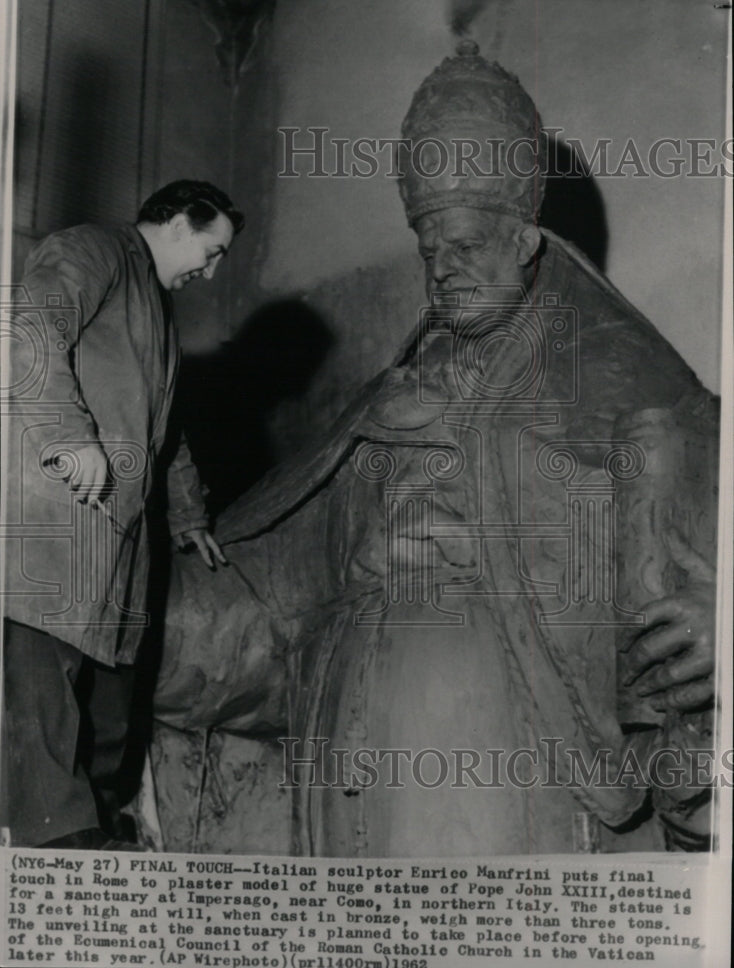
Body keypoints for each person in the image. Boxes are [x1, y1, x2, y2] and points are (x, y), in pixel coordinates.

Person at [155, 46, 718, 856]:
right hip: (342, 784)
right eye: (427, 252)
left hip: (506, 791)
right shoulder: (379, 407)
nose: (440, 272)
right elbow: (256, 616)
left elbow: (690, 576)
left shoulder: (637, 391)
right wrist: (118, 587)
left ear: (525, 242)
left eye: (461, 246)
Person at [1, 179, 243, 849]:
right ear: (171, 224)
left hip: (120, 536)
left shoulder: (157, 311)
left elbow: (171, 432)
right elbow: (30, 329)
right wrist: (68, 436)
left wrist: (190, 515)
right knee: (43, 693)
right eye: (211, 249)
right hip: (56, 516)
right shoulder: (92, 250)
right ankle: (54, 843)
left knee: (111, 697)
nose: (212, 269)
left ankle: (99, 834)